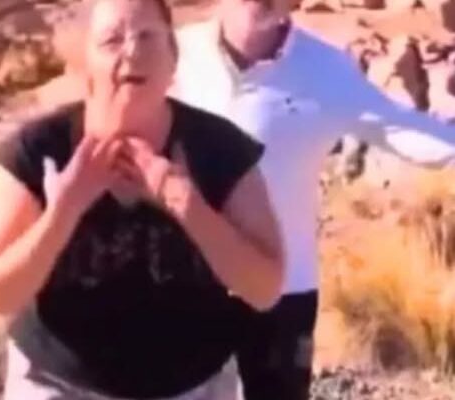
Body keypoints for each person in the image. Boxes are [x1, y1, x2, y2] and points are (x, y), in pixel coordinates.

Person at [0, 0, 285, 399]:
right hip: (56, 383)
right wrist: (65, 209)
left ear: (173, 60)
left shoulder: (219, 150)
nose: (132, 51)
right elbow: (0, 295)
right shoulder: (39, 150)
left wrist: (187, 205)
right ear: (86, 64)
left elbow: (265, 288)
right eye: (112, 40)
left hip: (193, 386)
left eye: (147, 37)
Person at [171, 1, 455, 399]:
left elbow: (404, 130)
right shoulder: (177, 55)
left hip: (285, 293)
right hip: (190, 286)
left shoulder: (326, 70)